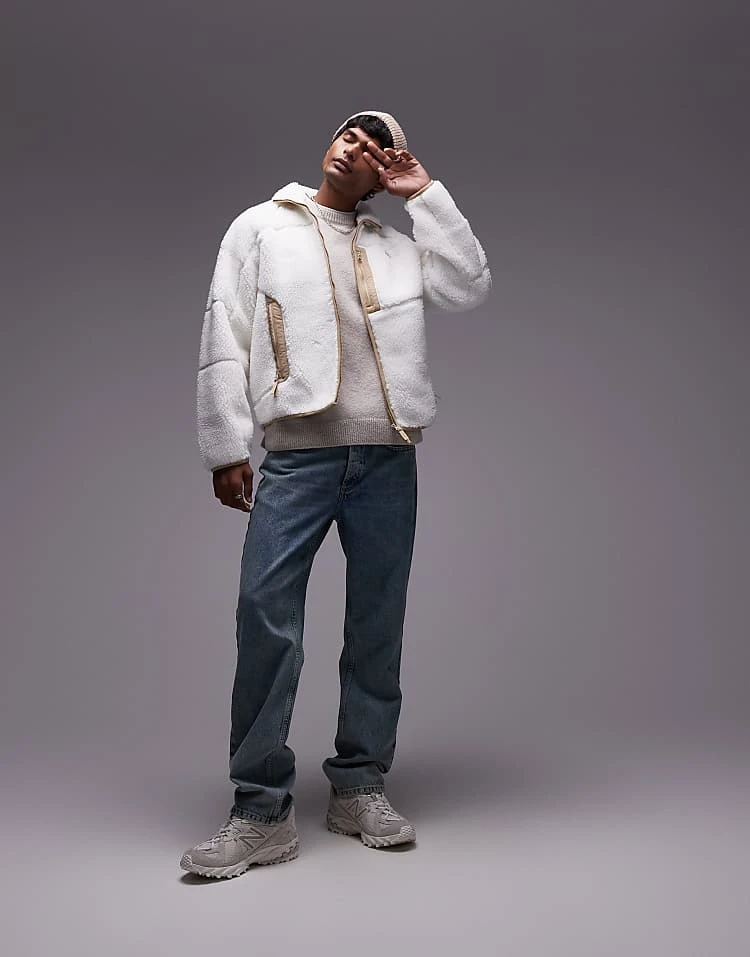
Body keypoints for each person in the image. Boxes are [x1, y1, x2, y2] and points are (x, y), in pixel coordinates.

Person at [180, 110, 491, 879]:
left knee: (377, 625)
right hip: (298, 455)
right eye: (349, 134)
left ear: (386, 170)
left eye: (374, 146)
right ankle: (260, 809)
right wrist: (225, 445)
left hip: (388, 454)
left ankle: (359, 786)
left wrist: (426, 195)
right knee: (266, 618)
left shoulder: (396, 246)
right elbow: (225, 328)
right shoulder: (262, 226)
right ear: (331, 143)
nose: (354, 147)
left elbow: (469, 284)